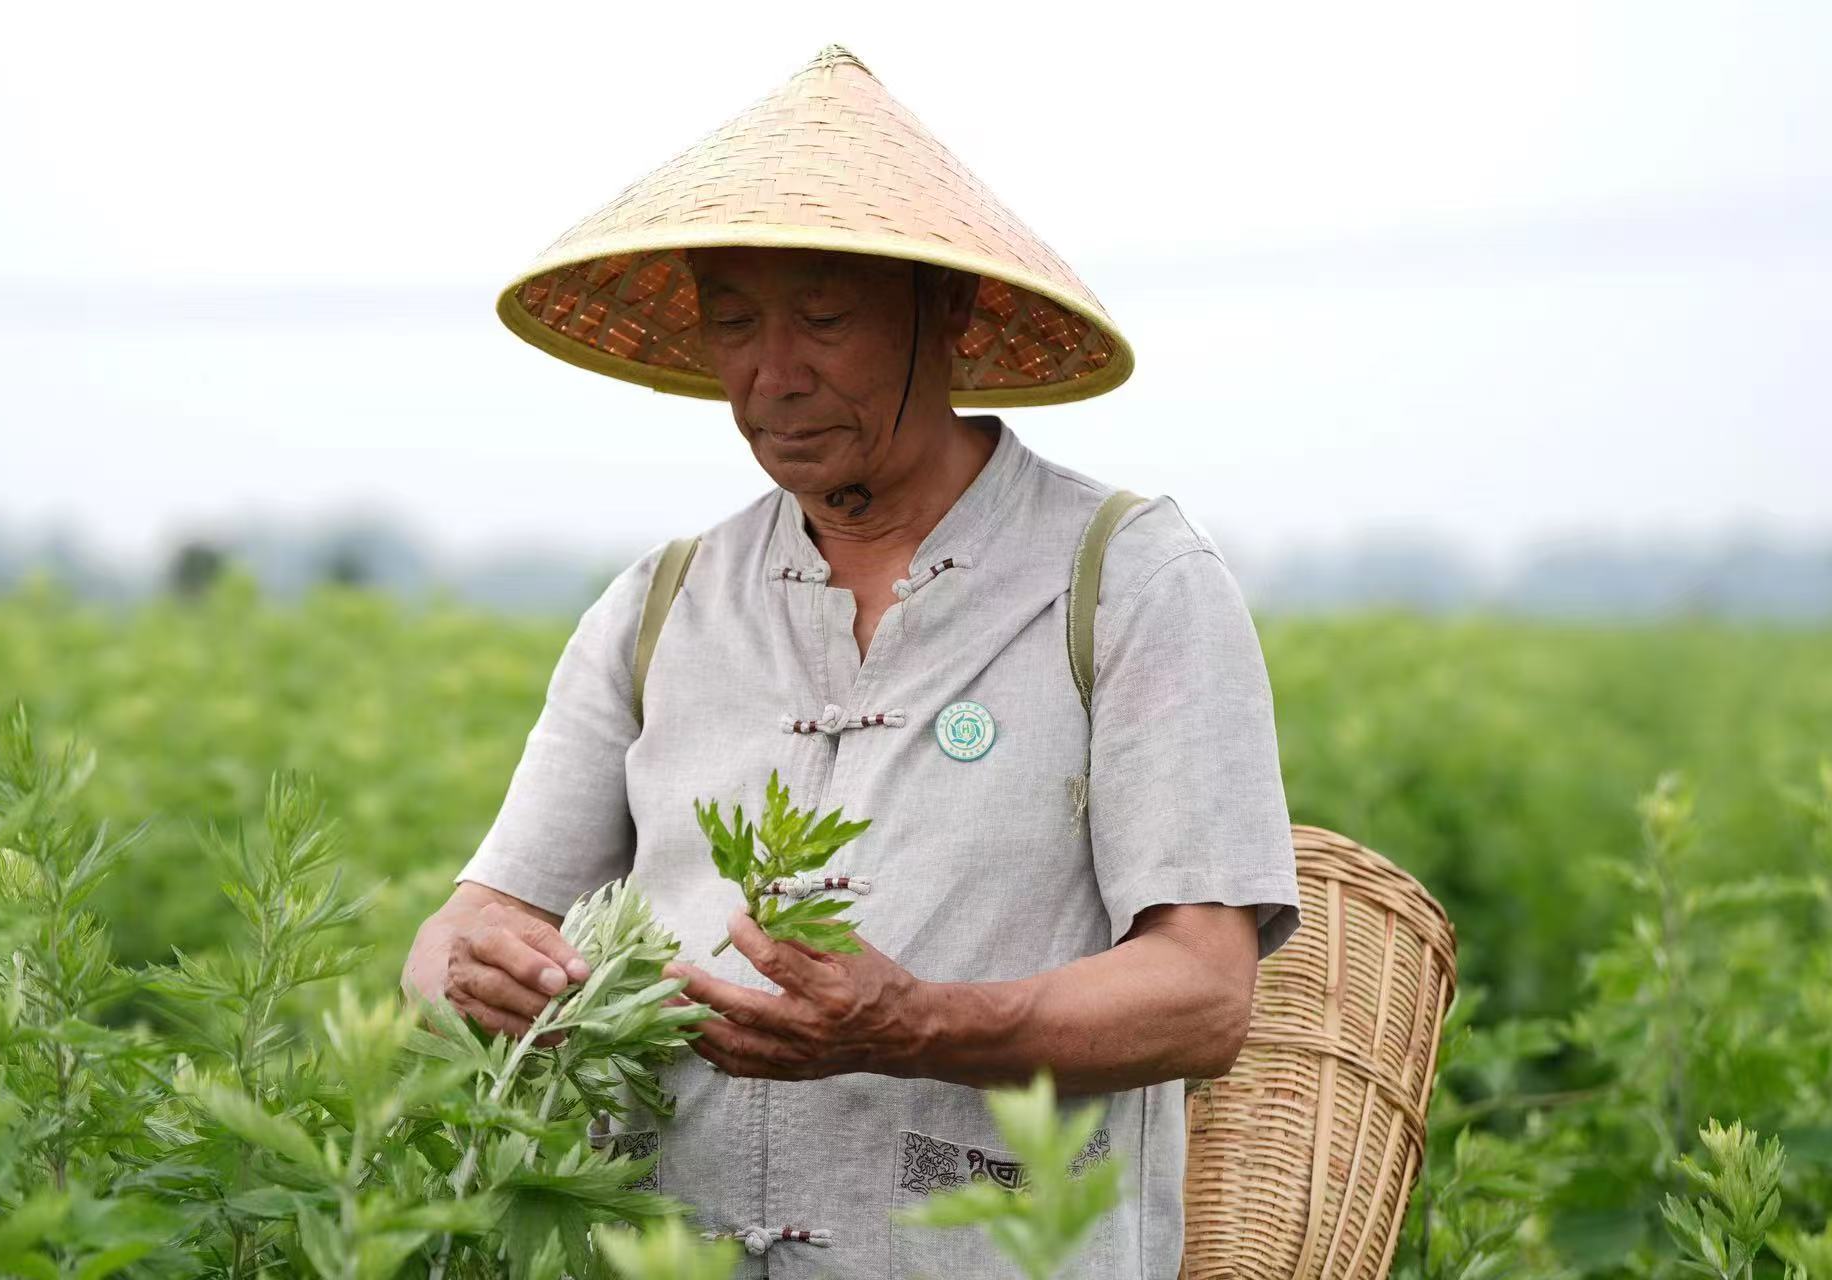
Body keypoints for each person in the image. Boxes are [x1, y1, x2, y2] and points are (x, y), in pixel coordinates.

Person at [405, 46, 1301, 1279]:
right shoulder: (664, 603)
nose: (774, 375)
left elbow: (1202, 995)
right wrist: (473, 968)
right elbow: (470, 921)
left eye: (824, 318)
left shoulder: (1126, 580)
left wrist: (920, 1023)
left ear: (954, 314)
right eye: (735, 324)